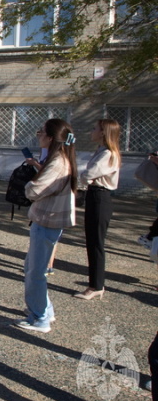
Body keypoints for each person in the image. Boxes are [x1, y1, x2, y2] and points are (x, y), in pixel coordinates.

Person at [17, 118, 77, 333]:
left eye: (40, 132)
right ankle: (45, 312)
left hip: (47, 221)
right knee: (32, 268)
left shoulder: (58, 162)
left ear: (51, 138)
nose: (37, 135)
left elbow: (33, 190)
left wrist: (28, 184)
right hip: (46, 219)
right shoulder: (58, 159)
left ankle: (40, 317)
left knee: (35, 272)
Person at [75, 119, 121, 300]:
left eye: (95, 129)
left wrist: (84, 177)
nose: (91, 132)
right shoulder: (101, 151)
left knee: (96, 243)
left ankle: (96, 285)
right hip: (94, 195)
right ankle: (95, 283)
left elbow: (89, 174)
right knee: (92, 240)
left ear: (103, 132)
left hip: (101, 197)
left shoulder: (108, 153)